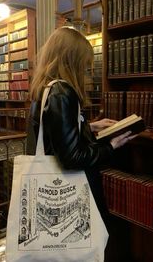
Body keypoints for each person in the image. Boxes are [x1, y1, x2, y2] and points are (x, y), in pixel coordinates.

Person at [26, 26, 136, 232]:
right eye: (84, 65)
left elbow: (52, 129)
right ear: (72, 60)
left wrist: (88, 125)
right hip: (71, 190)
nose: (85, 71)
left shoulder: (45, 87)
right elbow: (73, 158)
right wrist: (111, 146)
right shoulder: (62, 92)